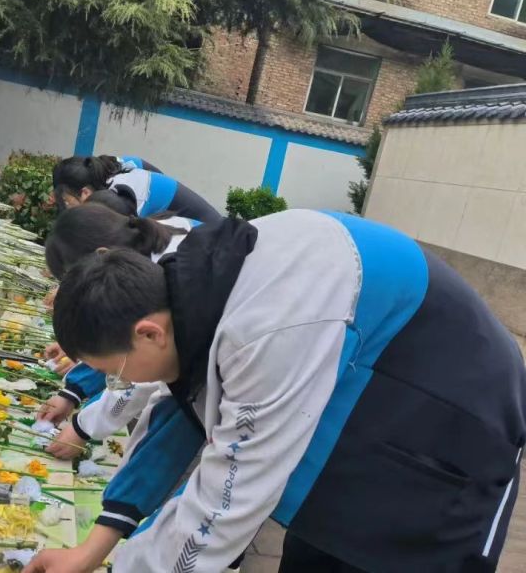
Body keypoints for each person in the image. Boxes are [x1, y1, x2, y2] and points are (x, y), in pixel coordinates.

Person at [26, 209, 526, 573]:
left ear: (148, 334)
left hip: (454, 428)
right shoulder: (191, 296)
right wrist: (92, 552)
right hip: (359, 422)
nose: (125, 386)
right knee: (318, 540)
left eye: (115, 374)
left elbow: (227, 500)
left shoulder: (263, 328)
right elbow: (175, 421)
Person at [38, 204, 201, 457]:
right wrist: (74, 390)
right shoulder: (146, 242)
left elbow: (142, 378)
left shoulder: (176, 279)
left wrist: (83, 427)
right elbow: (116, 346)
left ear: (101, 256)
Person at [52, 155, 221, 224]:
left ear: (85, 192)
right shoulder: (106, 167)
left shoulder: (123, 197)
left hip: (207, 235)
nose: (67, 207)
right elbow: (146, 166)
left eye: (67, 201)